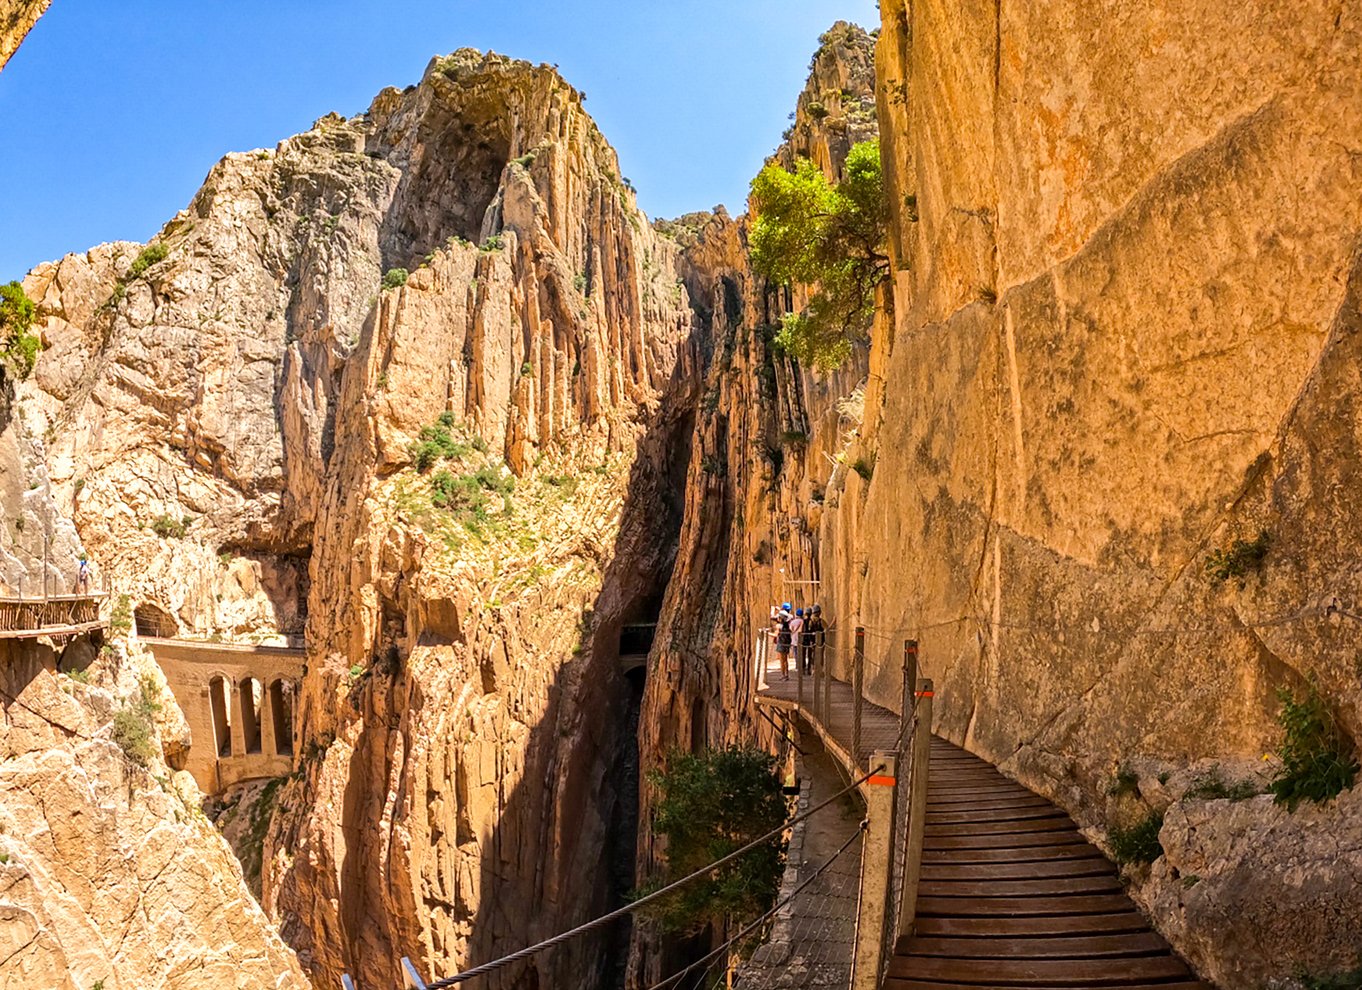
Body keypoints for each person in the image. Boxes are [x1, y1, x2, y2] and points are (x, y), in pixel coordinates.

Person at [803, 604, 824, 674]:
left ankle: (813, 670)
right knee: (818, 656)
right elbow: (826, 629)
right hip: (819, 641)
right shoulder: (819, 621)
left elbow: (809, 631)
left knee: (813, 655)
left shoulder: (811, 622)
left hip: (814, 641)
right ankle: (817, 670)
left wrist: (811, 641)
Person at [775, 608, 793, 681]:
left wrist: (766, 633)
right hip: (786, 644)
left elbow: (775, 634)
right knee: (786, 660)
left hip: (781, 644)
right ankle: (787, 675)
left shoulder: (779, 626)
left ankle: (783, 675)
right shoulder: (787, 625)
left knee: (782, 661)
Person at [788, 608, 805, 677]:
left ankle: (797, 666)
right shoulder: (802, 621)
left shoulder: (792, 622)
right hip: (801, 640)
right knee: (801, 654)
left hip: (794, 639)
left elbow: (791, 629)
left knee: (796, 654)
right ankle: (802, 666)